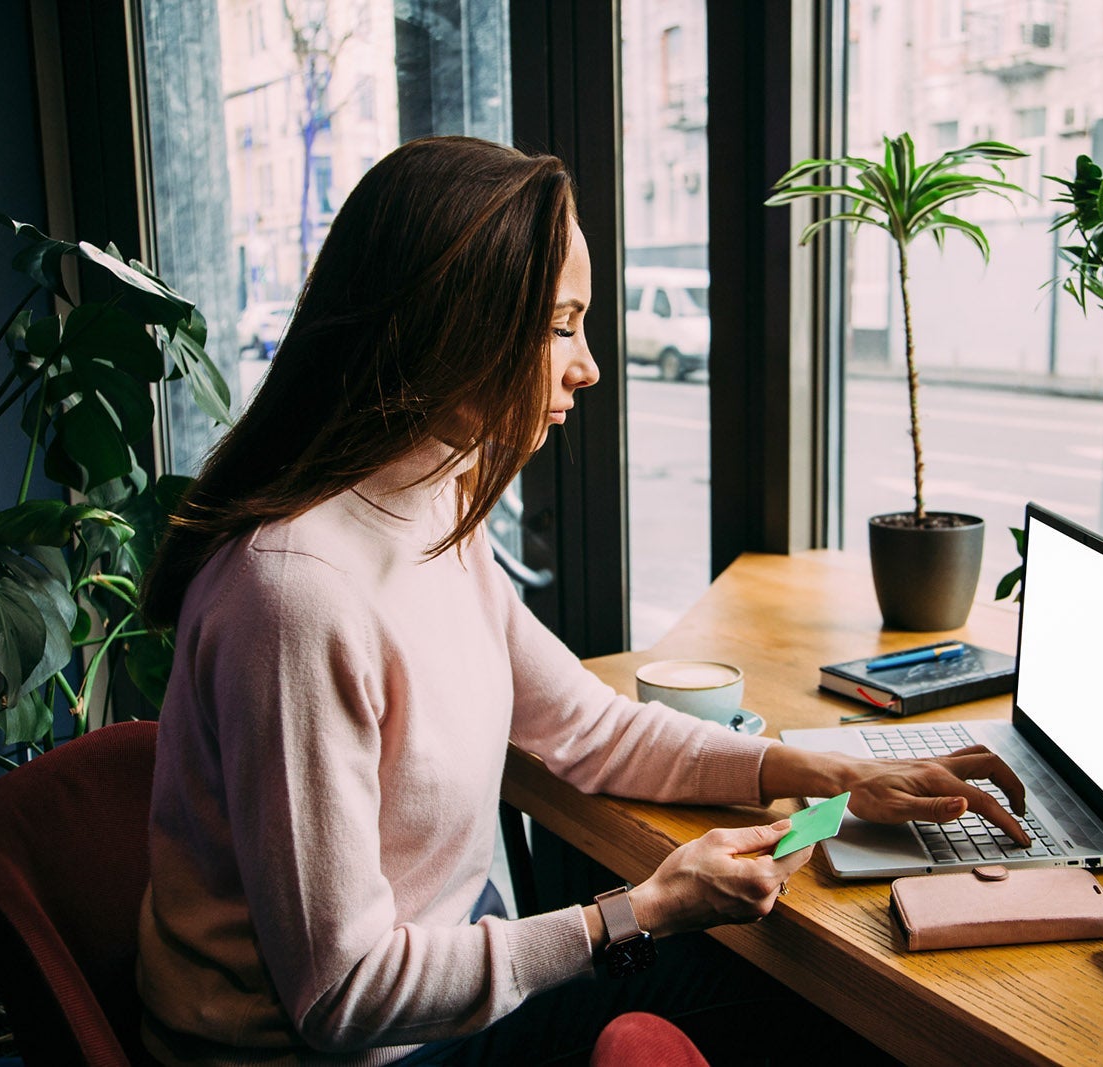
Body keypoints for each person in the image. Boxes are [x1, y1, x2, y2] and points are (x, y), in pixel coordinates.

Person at [136, 135, 1030, 1066]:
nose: (589, 365)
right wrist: (639, 910)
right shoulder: (296, 592)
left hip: (438, 1014)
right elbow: (344, 995)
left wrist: (838, 778)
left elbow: (597, 729)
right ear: (450, 326)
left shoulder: (434, 498)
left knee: (795, 1006)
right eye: (562, 325)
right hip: (358, 1054)